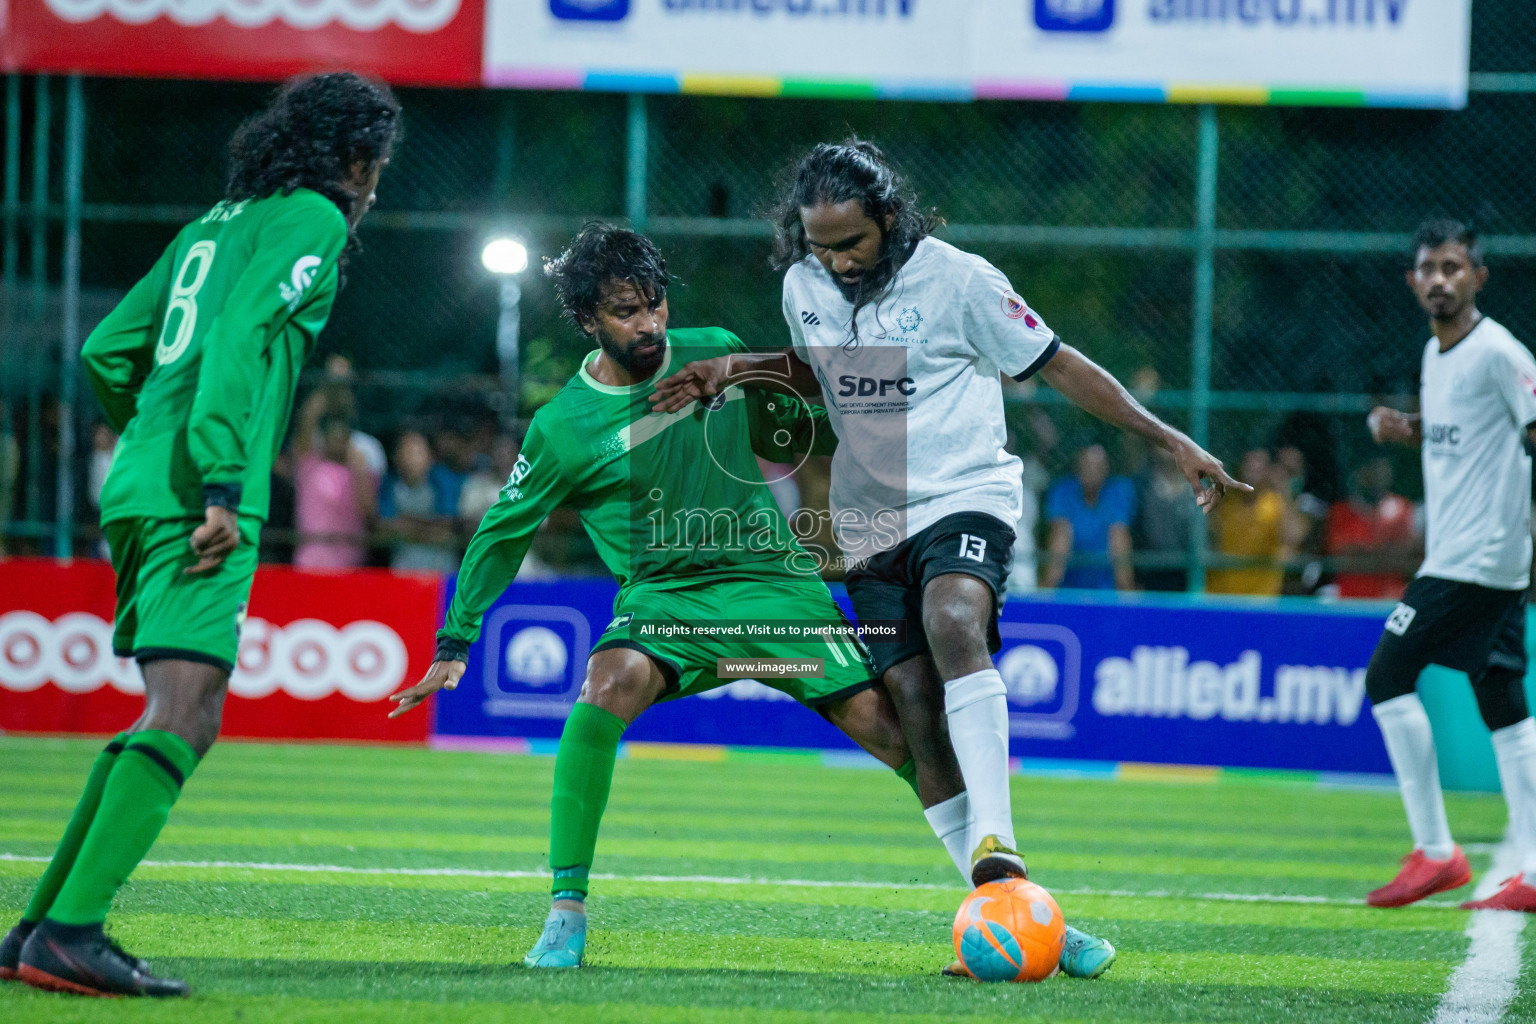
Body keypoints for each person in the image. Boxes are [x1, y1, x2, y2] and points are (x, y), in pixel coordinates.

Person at [651, 138, 1248, 978]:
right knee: (914, 711)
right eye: (820, 246)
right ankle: (1008, 910)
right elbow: (828, 373)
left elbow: (1060, 365)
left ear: (889, 218)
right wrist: (734, 368)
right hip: (868, 520)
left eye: (850, 243)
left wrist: (1169, 438)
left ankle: (997, 845)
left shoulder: (962, 279)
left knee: (953, 616)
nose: (836, 261)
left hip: (963, 493)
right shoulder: (804, 286)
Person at [387, 224, 918, 970]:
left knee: (895, 733)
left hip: (775, 589)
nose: (650, 324)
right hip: (666, 604)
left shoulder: (716, 349)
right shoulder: (563, 428)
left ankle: (1009, 889)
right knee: (606, 682)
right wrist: (454, 643)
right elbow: (502, 534)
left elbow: (802, 439)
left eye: (656, 305)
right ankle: (565, 913)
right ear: (586, 320)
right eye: (627, 312)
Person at [0, 73, 400, 997]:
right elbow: (240, 341)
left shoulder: (210, 226)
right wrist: (218, 474)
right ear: (355, 158)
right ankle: (69, 930)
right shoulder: (313, 220)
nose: (375, 184)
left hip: (142, 480)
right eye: (376, 165)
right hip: (201, 494)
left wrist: (149, 438)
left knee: (164, 709)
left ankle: (38, 926)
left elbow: (108, 350)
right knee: (189, 711)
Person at [1362, 220, 1536, 912]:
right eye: (1428, 268)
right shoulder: (1439, 354)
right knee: (1503, 702)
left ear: (1477, 277)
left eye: (1453, 266)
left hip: (1478, 557)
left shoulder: (1498, 351)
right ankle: (1531, 871)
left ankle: (1437, 851)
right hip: (1475, 556)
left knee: (1387, 674)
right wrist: (1405, 427)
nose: (1439, 278)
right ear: (1413, 281)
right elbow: (1460, 433)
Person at [293, 390, 376, 569]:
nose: (337, 440)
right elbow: (306, 424)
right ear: (323, 439)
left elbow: (368, 511)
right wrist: (329, 390)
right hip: (310, 561)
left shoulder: (360, 471)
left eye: (342, 437)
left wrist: (360, 472)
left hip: (349, 564)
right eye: (332, 435)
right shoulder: (310, 466)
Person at [1042, 444, 1136, 591]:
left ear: (1106, 469)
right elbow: (1060, 538)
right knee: (1060, 537)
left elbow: (1119, 536)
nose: (1091, 471)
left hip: (1107, 590)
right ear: (1077, 468)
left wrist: (1126, 593)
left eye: (1097, 466)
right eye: (1086, 465)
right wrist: (1048, 591)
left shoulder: (1119, 490)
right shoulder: (1063, 490)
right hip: (1068, 588)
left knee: (1120, 538)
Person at [1205, 449, 1297, 597]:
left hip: (1260, 597)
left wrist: (1282, 489)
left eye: (1259, 467)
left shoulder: (1276, 504)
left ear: (1268, 472)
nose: (1252, 470)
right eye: (1248, 464)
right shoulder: (1225, 502)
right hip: (1220, 594)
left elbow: (1292, 538)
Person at [1326, 457, 1419, 600]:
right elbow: (1341, 552)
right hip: (1349, 595)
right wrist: (1383, 549)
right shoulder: (1341, 510)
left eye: (1384, 470)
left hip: (1390, 595)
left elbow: (1407, 552)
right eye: (1373, 469)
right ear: (1360, 473)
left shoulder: (1402, 508)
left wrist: (1366, 551)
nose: (1379, 477)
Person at [378, 430, 459, 574]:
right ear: (397, 457)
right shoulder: (389, 483)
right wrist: (428, 527)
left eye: (418, 453)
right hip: (403, 565)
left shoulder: (441, 481)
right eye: (407, 452)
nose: (412, 459)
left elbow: (445, 524)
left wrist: (405, 522)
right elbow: (386, 525)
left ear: (430, 457)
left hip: (440, 565)